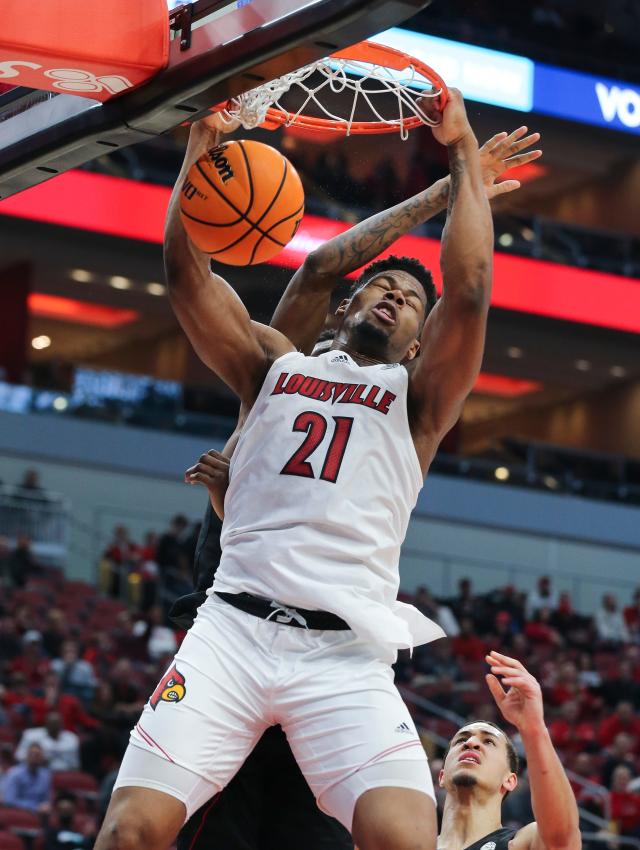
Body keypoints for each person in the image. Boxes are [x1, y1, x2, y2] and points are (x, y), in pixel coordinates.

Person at [96, 89, 542, 850]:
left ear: (415, 344)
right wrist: (201, 150)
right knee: (130, 831)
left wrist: (463, 152)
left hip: (344, 653)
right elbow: (186, 273)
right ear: (343, 308)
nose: (398, 297)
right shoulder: (272, 361)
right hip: (232, 629)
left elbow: (466, 295)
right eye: (384, 287)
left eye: (410, 301)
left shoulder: (417, 401)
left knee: (404, 839)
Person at [438, 651, 581, 850]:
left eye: (488, 742)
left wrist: (533, 728)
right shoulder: (410, 843)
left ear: (510, 780)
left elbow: (562, 840)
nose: (471, 742)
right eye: (461, 739)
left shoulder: (519, 844)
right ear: (442, 776)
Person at [15, 710, 80, 772]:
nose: (54, 726)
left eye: (56, 723)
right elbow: (19, 756)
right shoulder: (31, 735)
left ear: (61, 724)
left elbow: (75, 764)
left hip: (65, 773)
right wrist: (37, 759)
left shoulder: (71, 738)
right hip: (39, 772)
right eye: (52, 723)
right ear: (46, 723)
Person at [2, 742, 51, 812]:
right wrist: (35, 807)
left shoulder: (45, 775)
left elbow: (46, 800)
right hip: (18, 812)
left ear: (42, 757)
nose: (34, 757)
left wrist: (45, 806)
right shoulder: (14, 773)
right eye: (32, 754)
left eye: (37, 755)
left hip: (40, 814)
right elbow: (9, 800)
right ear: (26, 756)